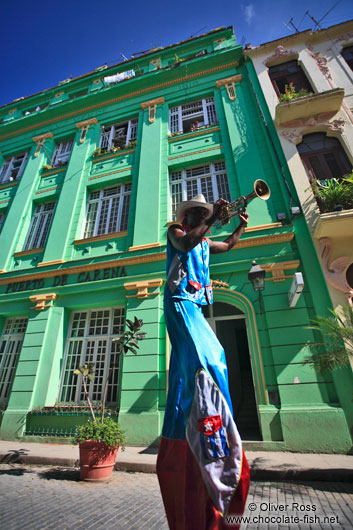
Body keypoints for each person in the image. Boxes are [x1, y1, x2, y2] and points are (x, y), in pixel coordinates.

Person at [157, 194, 250, 530]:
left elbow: (226, 246)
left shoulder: (205, 240)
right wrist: (213, 220)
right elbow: (186, 246)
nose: (201, 215)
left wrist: (239, 227)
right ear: (187, 216)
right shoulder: (175, 232)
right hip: (179, 301)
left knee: (217, 357)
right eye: (198, 212)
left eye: (205, 212)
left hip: (195, 306)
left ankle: (214, 417)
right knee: (205, 359)